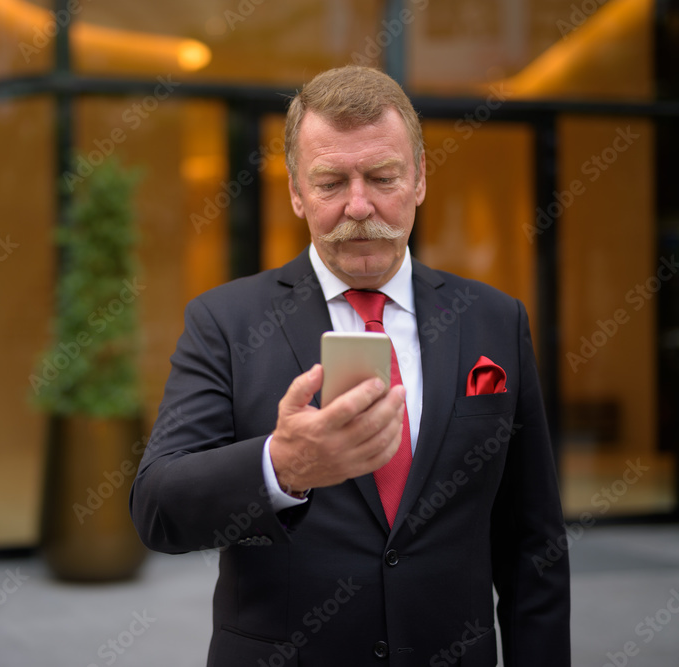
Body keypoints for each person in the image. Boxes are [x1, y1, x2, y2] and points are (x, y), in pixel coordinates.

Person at [130, 65, 570, 665]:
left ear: (419, 178)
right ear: (296, 192)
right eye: (331, 182)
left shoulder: (495, 320)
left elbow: (533, 542)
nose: (359, 206)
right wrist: (280, 466)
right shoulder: (225, 322)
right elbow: (158, 509)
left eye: (383, 177)